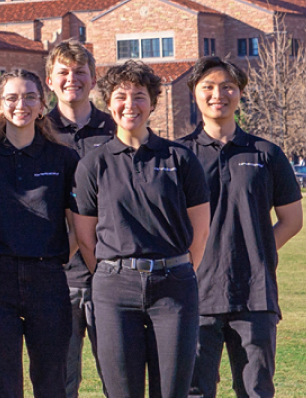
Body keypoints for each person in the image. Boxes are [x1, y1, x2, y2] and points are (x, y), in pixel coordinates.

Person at [73, 61, 210, 398]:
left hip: (174, 288)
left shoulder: (180, 158)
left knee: (173, 391)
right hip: (114, 290)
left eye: (139, 96)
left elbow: (200, 233)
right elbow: (86, 238)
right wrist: (116, 274)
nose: (130, 105)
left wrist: (175, 271)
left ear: (153, 103)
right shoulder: (94, 163)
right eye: (121, 96)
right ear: (108, 103)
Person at [179, 56, 303, 398]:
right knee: (194, 391)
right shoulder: (179, 155)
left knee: (256, 390)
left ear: (240, 94)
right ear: (195, 94)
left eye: (227, 87)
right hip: (194, 293)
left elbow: (292, 221)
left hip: (254, 294)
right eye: (208, 87)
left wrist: (257, 251)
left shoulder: (267, 153)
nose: (218, 94)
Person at [0, 70, 80, 398]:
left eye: (30, 97)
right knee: (1, 383)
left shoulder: (64, 158)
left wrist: (53, 256)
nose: (21, 105)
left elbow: (78, 226)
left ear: (43, 105)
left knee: (51, 381)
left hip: (48, 281)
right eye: (12, 98)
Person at [44, 40, 114, 398]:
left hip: (114, 273)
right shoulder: (38, 133)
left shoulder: (116, 128)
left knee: (119, 378)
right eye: (64, 73)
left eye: (80, 72)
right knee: (60, 380)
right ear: (50, 81)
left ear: (94, 77)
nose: (73, 79)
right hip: (60, 278)